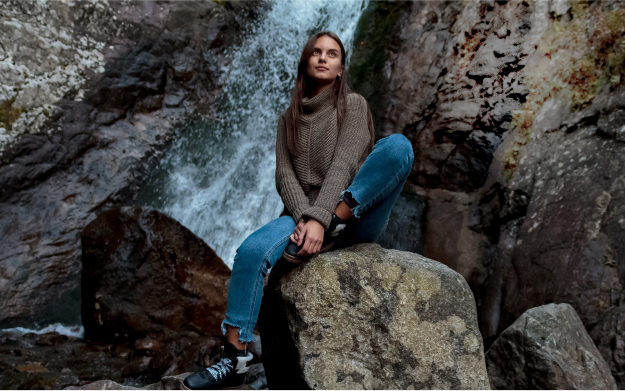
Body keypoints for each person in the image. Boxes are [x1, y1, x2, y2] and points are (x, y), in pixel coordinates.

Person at [182, 31, 414, 390]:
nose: (323, 58)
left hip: (352, 212)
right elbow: (284, 178)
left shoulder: (353, 105)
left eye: (332, 54)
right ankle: (235, 357)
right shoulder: (287, 118)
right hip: (301, 213)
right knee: (251, 252)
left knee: (397, 147)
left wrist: (325, 219)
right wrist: (306, 218)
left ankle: (332, 226)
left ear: (340, 69)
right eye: (316, 52)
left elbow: (344, 164)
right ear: (306, 62)